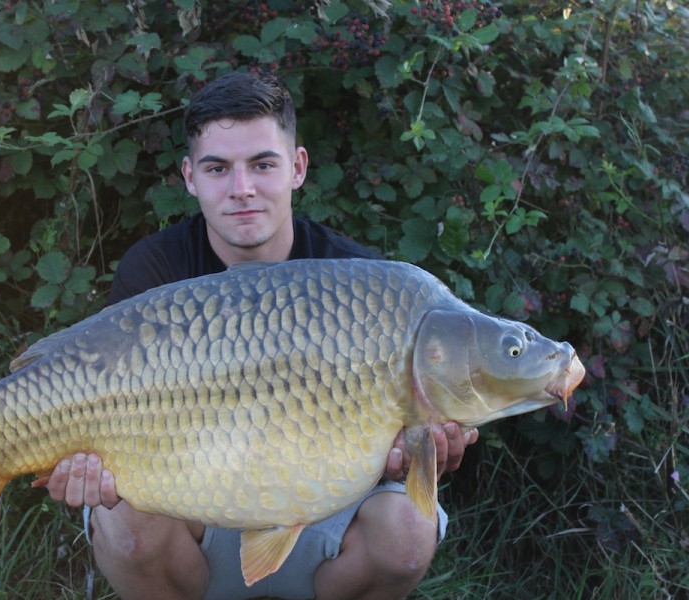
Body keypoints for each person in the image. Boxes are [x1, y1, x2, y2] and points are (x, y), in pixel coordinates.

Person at [46, 72, 479, 600]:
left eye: (263, 164)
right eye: (217, 168)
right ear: (190, 177)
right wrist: (82, 463)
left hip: (324, 523)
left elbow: (398, 450)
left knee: (409, 532)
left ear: (297, 167)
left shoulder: (362, 283)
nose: (242, 188)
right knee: (122, 527)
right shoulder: (155, 270)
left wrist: (418, 451)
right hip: (193, 518)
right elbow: (98, 407)